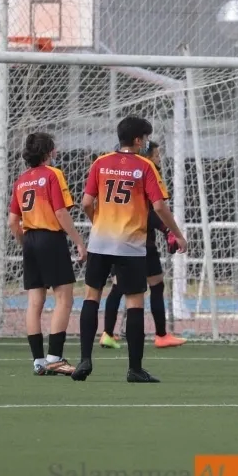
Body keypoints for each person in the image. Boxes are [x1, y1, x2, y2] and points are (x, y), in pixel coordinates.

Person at [71, 117, 187, 383]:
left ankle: (85, 360)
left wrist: (98, 223)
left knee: (91, 297)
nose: (146, 142)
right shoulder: (145, 166)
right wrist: (178, 234)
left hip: (100, 242)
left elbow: (86, 202)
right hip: (130, 245)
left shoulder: (100, 163)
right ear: (137, 140)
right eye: (145, 138)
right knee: (134, 302)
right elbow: (159, 207)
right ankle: (135, 369)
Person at [8, 132, 86, 376]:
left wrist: (24, 243)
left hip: (30, 239)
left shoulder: (21, 180)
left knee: (35, 302)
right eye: (54, 148)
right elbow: (61, 212)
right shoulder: (53, 174)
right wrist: (79, 242)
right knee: (64, 298)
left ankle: (38, 362)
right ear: (47, 152)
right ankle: (54, 358)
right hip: (51, 239)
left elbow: (12, 221)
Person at [100, 141, 185, 350]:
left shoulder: (117, 170)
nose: (158, 159)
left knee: (119, 286)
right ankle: (160, 335)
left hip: (116, 238)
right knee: (153, 285)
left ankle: (107, 333)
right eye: (156, 155)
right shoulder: (146, 172)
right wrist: (168, 231)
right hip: (140, 242)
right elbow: (151, 211)